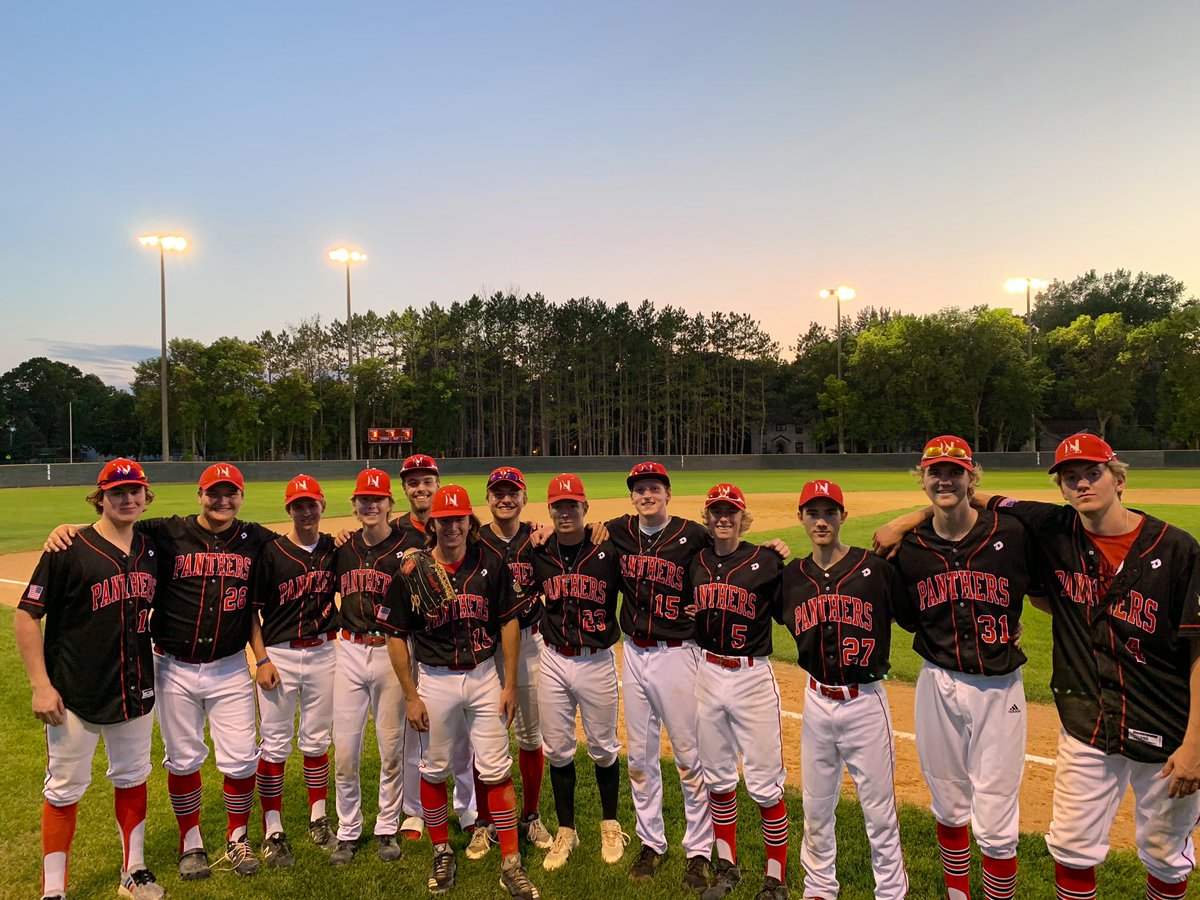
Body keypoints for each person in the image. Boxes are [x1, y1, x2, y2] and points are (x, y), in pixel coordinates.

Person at [882, 433, 1200, 900]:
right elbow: (982, 505)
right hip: (1087, 720)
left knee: (1165, 854)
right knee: (1071, 848)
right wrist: (913, 518)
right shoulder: (1054, 529)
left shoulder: (1176, 548)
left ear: (1119, 479)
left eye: (1093, 473)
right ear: (1061, 488)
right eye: (1071, 477)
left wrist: (1195, 743)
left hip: (1165, 722)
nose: (1082, 484)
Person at [45, 462, 277, 879]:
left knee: (243, 759)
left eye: (231, 493)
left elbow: (301, 546)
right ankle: (191, 842)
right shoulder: (167, 532)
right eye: (214, 492)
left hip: (229, 667)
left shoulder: (255, 538)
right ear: (199, 495)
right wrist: (70, 530)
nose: (222, 500)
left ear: (242, 497)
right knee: (183, 759)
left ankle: (237, 837)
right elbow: (113, 527)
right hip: (172, 667)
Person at [887, 436, 1036, 900]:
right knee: (949, 804)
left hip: (999, 688)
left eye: (956, 472)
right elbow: (909, 617)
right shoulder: (910, 549)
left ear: (972, 477)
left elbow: (1041, 588)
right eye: (936, 472)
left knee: (996, 815)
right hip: (937, 682)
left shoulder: (1011, 533)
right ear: (923, 479)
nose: (945, 480)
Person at [380, 485, 540, 899]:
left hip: (484, 676)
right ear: (432, 525)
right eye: (444, 520)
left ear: (470, 522)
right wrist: (411, 695)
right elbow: (395, 635)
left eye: (459, 519)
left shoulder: (491, 563)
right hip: (435, 678)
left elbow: (507, 622)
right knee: (434, 769)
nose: (452, 526)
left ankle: (510, 862)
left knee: (496, 767)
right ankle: (441, 851)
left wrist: (509, 684)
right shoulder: (411, 572)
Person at [17, 459, 164, 900]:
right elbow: (27, 616)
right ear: (100, 498)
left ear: (146, 496)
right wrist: (40, 685)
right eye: (117, 492)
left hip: (135, 687)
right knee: (64, 790)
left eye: (135, 491)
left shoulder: (153, 547)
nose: (127, 499)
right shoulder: (67, 548)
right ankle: (54, 890)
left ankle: (133, 870)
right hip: (74, 692)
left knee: (133, 777)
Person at [781, 480, 909, 900]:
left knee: (880, 811)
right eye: (813, 513)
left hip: (864, 703)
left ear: (843, 517)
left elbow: (917, 613)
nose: (821, 521)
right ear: (801, 518)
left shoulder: (876, 570)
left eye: (829, 513)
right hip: (816, 701)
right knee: (816, 807)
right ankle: (819, 888)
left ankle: (890, 892)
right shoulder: (792, 577)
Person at [690, 483, 790, 900]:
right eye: (716, 511)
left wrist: (780, 553)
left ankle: (776, 879)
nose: (723, 518)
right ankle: (726, 869)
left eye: (731, 511)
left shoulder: (765, 561)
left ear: (743, 518)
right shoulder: (696, 561)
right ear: (707, 518)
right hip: (708, 673)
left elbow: (790, 612)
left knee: (765, 785)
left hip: (752, 678)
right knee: (718, 779)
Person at [529, 473, 629, 871]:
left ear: (585, 508)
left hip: (596, 659)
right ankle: (566, 829)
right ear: (550, 510)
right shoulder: (538, 550)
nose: (565, 511)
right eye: (558, 506)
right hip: (553, 659)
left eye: (572, 505)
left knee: (604, 747)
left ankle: (610, 823)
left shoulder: (609, 547)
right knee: (557, 749)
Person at [248, 474, 340, 866]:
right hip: (280, 655)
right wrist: (261, 659)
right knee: (274, 743)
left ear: (322, 506)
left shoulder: (335, 549)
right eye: (298, 505)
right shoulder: (271, 553)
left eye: (311, 504)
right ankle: (273, 828)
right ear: (289, 510)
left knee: (317, 740)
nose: (305, 511)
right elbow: (251, 611)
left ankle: (319, 818)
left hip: (325, 652)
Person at [391, 453, 477, 842]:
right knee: (416, 728)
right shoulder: (394, 532)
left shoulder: (460, 526)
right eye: (413, 482)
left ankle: (467, 806)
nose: (420, 488)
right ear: (404, 488)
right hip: (410, 640)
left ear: (438, 484)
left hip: (453, 642)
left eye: (427, 480)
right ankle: (415, 810)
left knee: (463, 734)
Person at [329, 467, 410, 867]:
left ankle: (386, 826)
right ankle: (347, 830)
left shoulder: (410, 546)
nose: (371, 505)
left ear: (390, 504)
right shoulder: (341, 548)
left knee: (391, 748)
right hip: (348, 650)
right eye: (364, 499)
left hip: (389, 652)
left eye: (378, 499)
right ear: (355, 504)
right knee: (345, 750)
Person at [471, 466, 552, 858]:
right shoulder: (473, 540)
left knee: (531, 735)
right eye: (498, 493)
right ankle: (484, 820)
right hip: (487, 649)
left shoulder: (538, 539)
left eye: (512, 493)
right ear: (488, 499)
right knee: (485, 737)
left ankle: (531, 814)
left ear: (524, 498)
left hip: (530, 644)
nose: (505, 499)